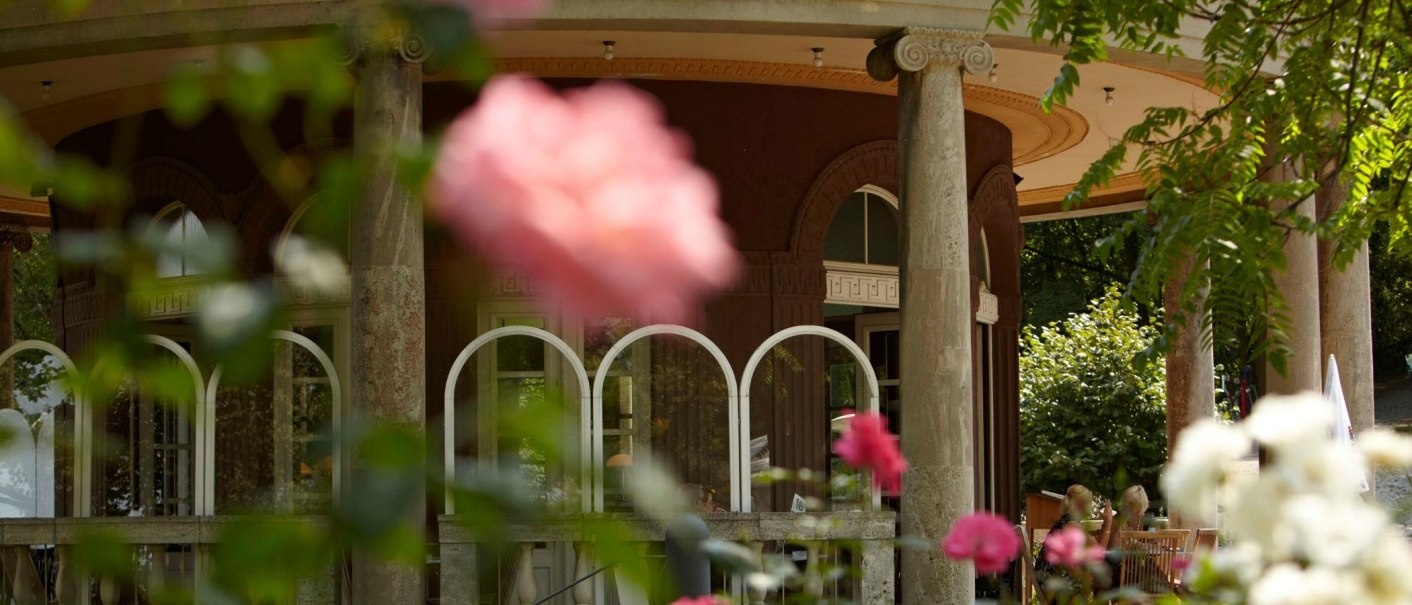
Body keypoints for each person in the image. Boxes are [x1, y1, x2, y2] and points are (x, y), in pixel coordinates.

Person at [1034, 484, 1114, 592]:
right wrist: (1109, 522)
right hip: (1055, 586)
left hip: (1048, 580)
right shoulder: (1072, 525)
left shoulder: (1065, 521)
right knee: (1102, 580)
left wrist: (1106, 524)